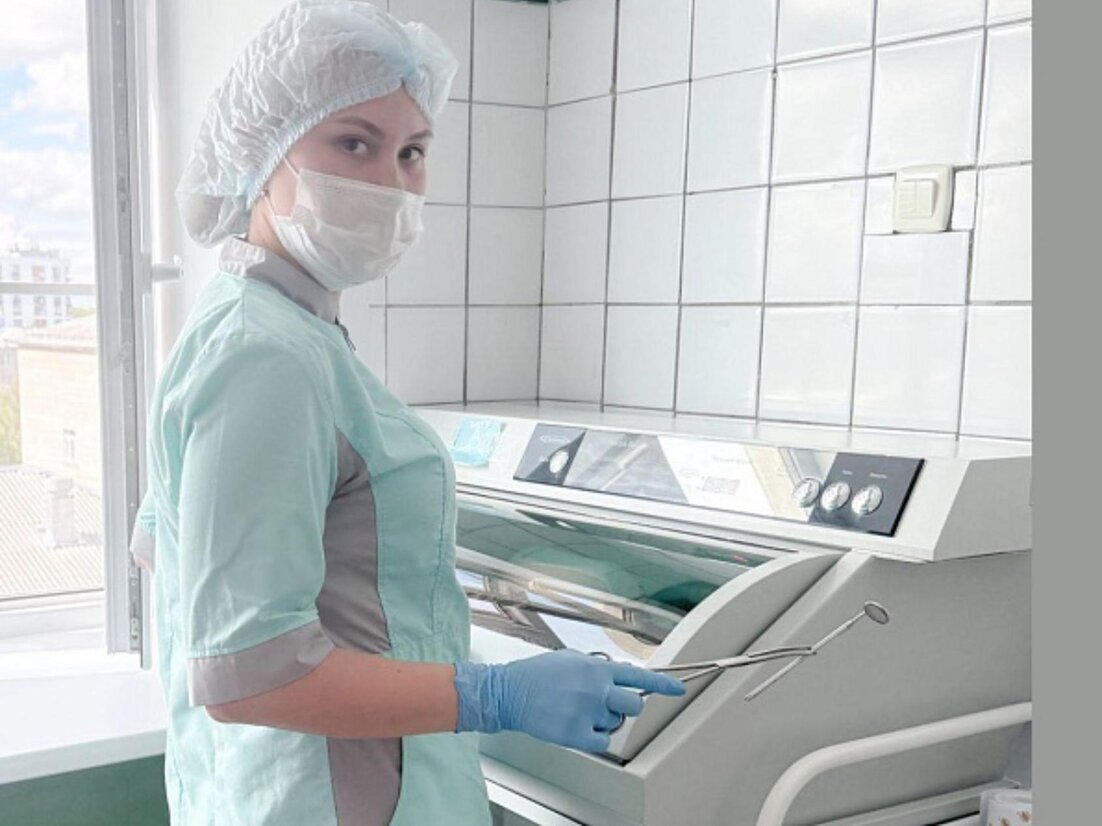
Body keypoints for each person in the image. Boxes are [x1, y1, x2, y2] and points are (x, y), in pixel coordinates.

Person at [128, 2, 685, 824]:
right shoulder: (264, 356)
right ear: (262, 152)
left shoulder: (268, 328)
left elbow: (166, 554)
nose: (389, 182)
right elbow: (249, 675)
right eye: (353, 143)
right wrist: (492, 694)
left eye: (412, 152)